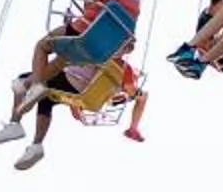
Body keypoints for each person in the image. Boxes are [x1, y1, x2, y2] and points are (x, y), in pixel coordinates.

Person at [19, 0, 145, 94]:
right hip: (103, 51)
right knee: (60, 62)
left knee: (42, 46)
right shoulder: (134, 5)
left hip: (84, 34)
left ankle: (36, 86)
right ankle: (28, 93)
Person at [12, 53, 144, 171]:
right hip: (84, 96)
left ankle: (15, 123)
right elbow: (126, 91)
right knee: (46, 100)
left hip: (74, 85)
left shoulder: (116, 65)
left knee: (23, 79)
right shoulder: (115, 76)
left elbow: (129, 90)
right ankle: (36, 144)